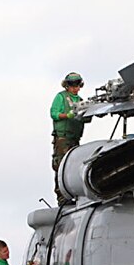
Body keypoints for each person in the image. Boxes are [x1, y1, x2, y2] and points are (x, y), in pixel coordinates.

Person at [51, 71, 91, 205]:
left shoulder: (80, 101)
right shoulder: (61, 97)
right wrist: (67, 116)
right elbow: (54, 113)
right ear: (67, 85)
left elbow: (85, 119)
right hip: (63, 138)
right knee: (61, 165)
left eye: (77, 84)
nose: (75, 87)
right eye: (72, 85)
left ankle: (73, 194)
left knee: (74, 166)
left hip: (75, 138)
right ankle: (62, 197)